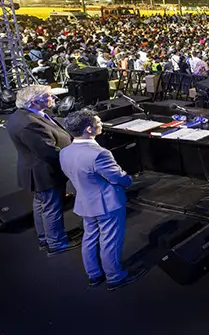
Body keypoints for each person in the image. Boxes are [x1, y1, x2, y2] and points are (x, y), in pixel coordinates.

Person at [59, 108, 146, 290]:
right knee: (110, 241)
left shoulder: (64, 152)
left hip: (84, 202)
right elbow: (117, 177)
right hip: (107, 204)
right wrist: (128, 180)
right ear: (88, 129)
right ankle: (115, 277)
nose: (100, 124)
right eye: (97, 122)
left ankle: (94, 274)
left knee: (89, 238)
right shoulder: (99, 154)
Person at [5, 84, 78, 255]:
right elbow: (48, 151)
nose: (54, 98)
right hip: (44, 172)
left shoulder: (24, 115)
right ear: (34, 101)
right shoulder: (30, 124)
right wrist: (75, 156)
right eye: (49, 96)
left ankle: (45, 238)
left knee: (41, 205)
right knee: (52, 207)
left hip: (35, 170)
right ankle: (56, 243)